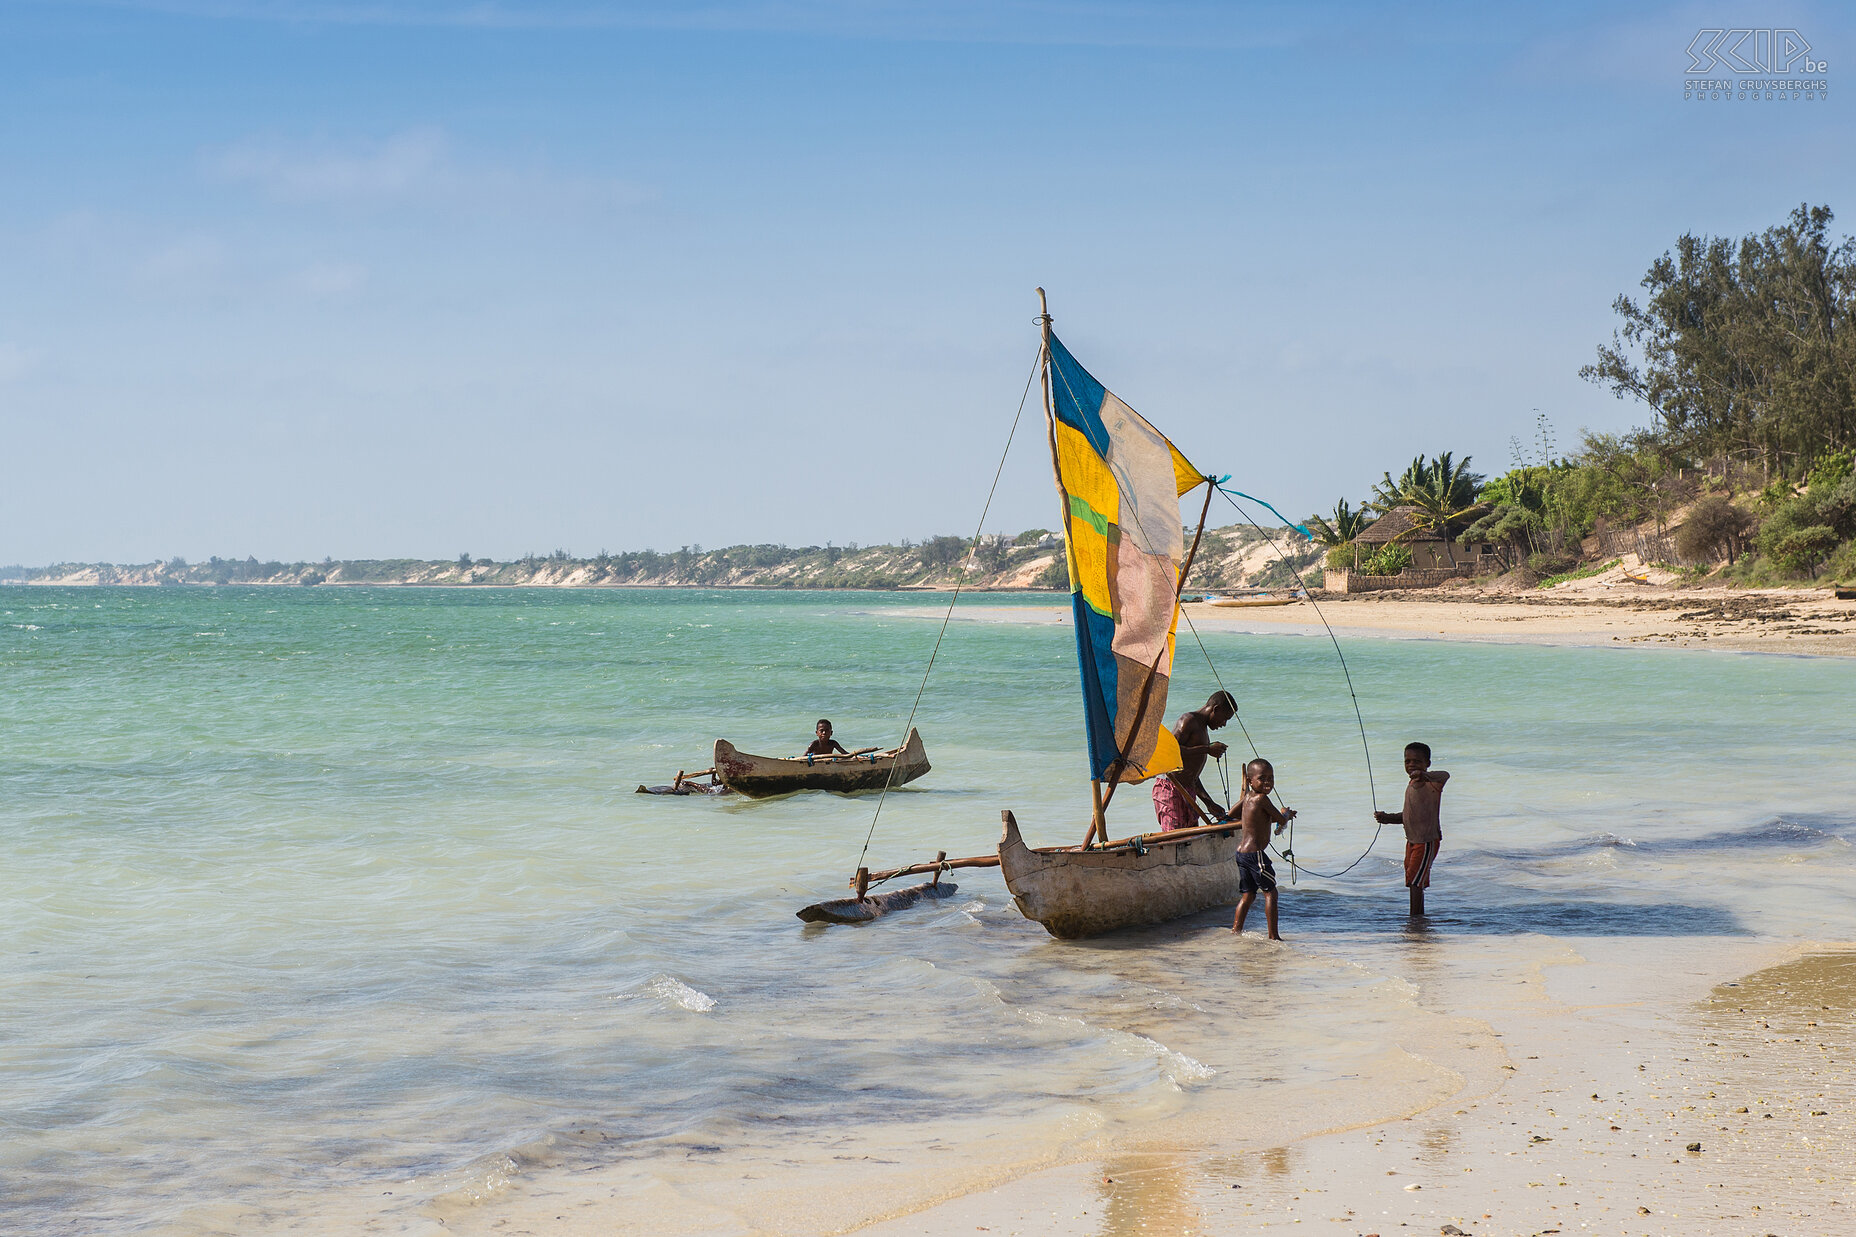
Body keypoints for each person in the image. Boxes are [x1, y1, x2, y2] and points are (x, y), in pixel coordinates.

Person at [1374, 742, 1450, 904]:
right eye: (1407, 761)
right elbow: (1410, 815)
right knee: (1412, 882)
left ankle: (1416, 922)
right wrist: (1387, 818)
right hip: (1412, 842)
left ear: (1427, 764)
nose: (1411, 764)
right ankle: (1416, 921)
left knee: (1416, 884)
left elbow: (1445, 774)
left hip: (1426, 841)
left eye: (1416, 761)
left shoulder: (1432, 783)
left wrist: (1424, 775)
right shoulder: (1411, 784)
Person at [1151, 691, 1236, 831]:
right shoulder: (1188, 720)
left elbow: (1191, 775)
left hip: (1188, 791)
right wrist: (1206, 749)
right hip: (1170, 788)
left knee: (1190, 837)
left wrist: (1209, 803)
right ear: (1215, 709)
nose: (1224, 724)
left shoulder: (1203, 729)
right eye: (1225, 718)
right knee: (1175, 837)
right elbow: (1168, 752)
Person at [1232, 757, 1295, 939]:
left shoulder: (1248, 797)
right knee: (1271, 893)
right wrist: (1287, 814)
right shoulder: (1261, 799)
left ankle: (1236, 931)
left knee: (1248, 895)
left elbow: (1231, 814)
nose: (1268, 782)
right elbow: (1281, 819)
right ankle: (1273, 936)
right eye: (1262, 778)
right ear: (1250, 780)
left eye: (1271, 778)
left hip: (1241, 854)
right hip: (1255, 855)